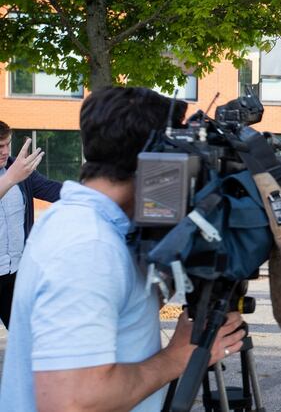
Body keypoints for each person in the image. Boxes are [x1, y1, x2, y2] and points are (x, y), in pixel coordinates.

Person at [0, 87, 245, 411]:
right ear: (157, 160)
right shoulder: (86, 246)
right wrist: (177, 358)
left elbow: (117, 308)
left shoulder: (95, 226)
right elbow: (71, 402)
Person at [0, 122, 61, 330]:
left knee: (27, 335)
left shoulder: (18, 170)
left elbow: (52, 190)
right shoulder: (15, 173)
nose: (5, 151)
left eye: (7, 144)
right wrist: (10, 178)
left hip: (16, 273)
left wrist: (97, 191)